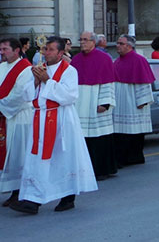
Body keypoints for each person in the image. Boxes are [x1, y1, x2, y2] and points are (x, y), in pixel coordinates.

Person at [10, 37, 96, 214]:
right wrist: (35, 81)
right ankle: (32, 200)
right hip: (39, 119)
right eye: (45, 49)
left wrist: (48, 81)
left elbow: (69, 96)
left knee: (63, 160)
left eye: (50, 49)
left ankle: (68, 197)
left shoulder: (69, 71)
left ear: (60, 52)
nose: (46, 53)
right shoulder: (39, 69)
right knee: (37, 159)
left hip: (62, 120)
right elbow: (26, 96)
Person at [71, 32, 117, 180]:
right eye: (81, 39)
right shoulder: (76, 60)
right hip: (80, 104)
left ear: (93, 42)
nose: (82, 42)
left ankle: (101, 170)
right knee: (83, 138)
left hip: (96, 103)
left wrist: (104, 102)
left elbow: (108, 82)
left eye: (85, 40)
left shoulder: (104, 58)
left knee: (99, 137)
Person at [112, 35, 155, 167]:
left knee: (134, 133)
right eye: (118, 43)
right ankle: (123, 158)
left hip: (134, 102)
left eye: (121, 43)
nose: (117, 46)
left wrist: (142, 101)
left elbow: (144, 83)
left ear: (129, 46)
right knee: (121, 133)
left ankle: (134, 157)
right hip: (121, 102)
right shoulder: (117, 61)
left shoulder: (139, 60)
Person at [0, 38, 33, 207]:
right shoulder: (1, 67)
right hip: (5, 117)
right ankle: (11, 188)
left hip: (19, 116)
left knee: (18, 154)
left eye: (5, 49)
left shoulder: (26, 69)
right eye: (1, 49)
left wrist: (1, 107)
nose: (2, 52)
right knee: (7, 154)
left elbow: (20, 95)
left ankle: (19, 191)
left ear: (17, 50)